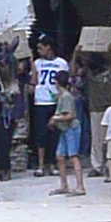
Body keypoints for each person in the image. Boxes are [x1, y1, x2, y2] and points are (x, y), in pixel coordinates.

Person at [48, 57, 87, 197]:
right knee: (60, 156)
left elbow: (69, 115)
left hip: (71, 128)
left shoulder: (66, 97)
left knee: (73, 156)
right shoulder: (61, 96)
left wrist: (55, 118)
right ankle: (64, 185)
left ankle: (80, 186)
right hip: (64, 129)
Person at [29, 35, 65, 173]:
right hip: (40, 102)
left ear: (48, 48)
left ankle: (52, 164)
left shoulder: (61, 63)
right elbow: (34, 81)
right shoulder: (38, 63)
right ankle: (40, 165)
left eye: (40, 48)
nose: (38, 51)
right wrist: (32, 65)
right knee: (40, 134)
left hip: (55, 102)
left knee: (54, 134)